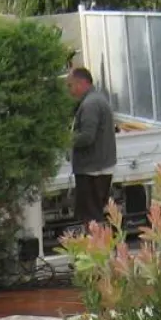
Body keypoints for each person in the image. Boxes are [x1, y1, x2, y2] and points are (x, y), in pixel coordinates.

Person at [67, 67, 116, 228]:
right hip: (97, 167)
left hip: (92, 170)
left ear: (81, 83)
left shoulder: (90, 104)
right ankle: (98, 241)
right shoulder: (95, 100)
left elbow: (87, 136)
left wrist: (65, 140)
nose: (70, 91)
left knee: (91, 218)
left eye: (71, 85)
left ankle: (96, 243)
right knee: (95, 214)